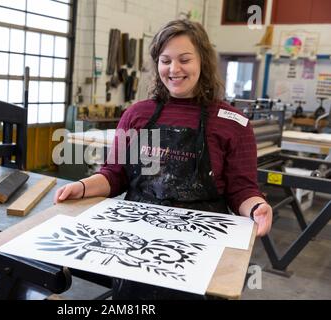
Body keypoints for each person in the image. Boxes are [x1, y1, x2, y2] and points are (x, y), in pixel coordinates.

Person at [53, 19, 272, 299]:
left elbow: (241, 189)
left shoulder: (233, 123)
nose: (174, 69)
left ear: (203, 61)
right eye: (165, 60)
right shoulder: (138, 115)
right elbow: (114, 174)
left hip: (200, 244)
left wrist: (256, 207)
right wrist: (82, 187)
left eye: (184, 59)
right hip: (135, 239)